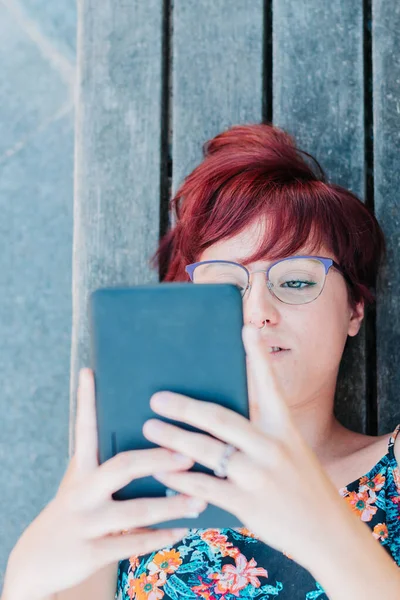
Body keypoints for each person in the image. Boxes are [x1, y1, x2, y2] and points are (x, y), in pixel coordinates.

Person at [2, 123, 400, 600]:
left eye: (296, 282)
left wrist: (325, 533)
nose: (257, 315)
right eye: (224, 291)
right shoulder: (136, 489)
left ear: (354, 310)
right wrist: (25, 578)